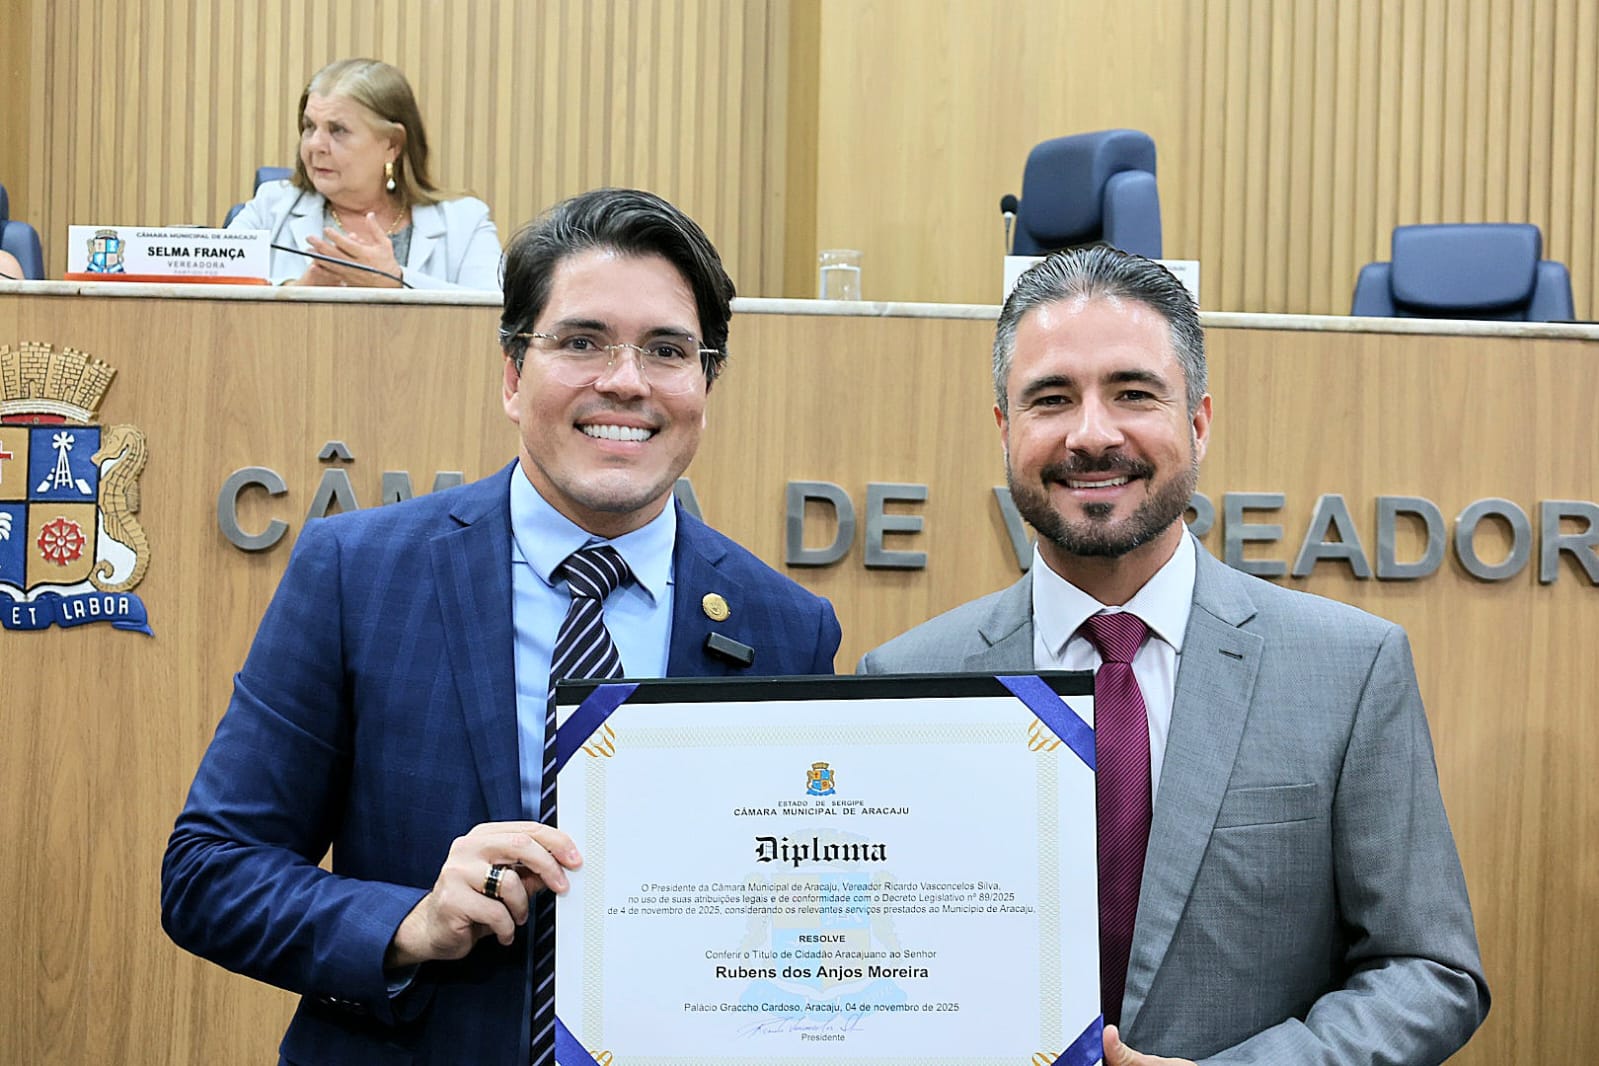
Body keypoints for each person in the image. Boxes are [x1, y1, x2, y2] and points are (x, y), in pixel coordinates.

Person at [163, 188, 842, 1065]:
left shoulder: (787, 626)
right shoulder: (355, 575)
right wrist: (407, 922)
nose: (625, 380)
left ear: (704, 386)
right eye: (582, 341)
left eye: (668, 350)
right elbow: (209, 872)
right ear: (514, 376)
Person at [858, 247, 1488, 1065]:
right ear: (1005, 429)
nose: (1092, 434)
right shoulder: (904, 683)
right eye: (1050, 399)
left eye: (1132, 393)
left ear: (1197, 422)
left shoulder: (1350, 671)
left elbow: (1426, 969)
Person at [228, 58, 502, 291]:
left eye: (338, 130)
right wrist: (299, 292)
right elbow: (217, 302)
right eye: (309, 127)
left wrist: (397, 283)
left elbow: (497, 318)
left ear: (392, 144)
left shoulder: (465, 222)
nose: (315, 145)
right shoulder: (268, 209)